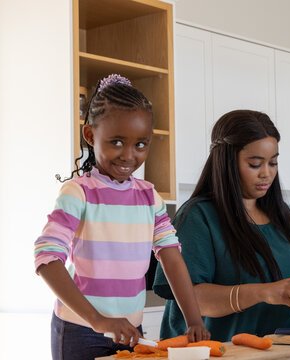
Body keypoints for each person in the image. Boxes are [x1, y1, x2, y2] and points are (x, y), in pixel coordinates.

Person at [34, 74, 210, 360]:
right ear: (90, 135)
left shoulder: (150, 197)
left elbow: (171, 257)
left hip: (131, 331)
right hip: (82, 329)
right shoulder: (78, 193)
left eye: (141, 144)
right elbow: (46, 258)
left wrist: (194, 319)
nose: (129, 155)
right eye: (117, 142)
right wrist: (98, 320)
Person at [153, 110, 290, 342]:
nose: (267, 173)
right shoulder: (198, 217)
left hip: (287, 353)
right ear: (226, 161)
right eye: (255, 164)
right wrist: (265, 292)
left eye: (273, 162)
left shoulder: (283, 216)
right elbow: (189, 296)